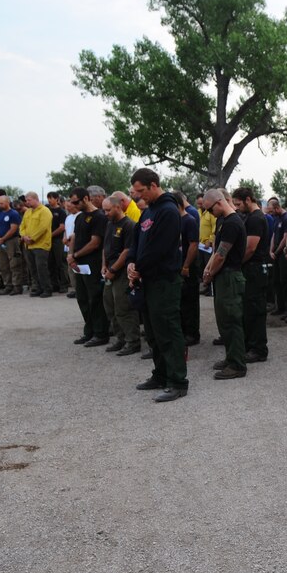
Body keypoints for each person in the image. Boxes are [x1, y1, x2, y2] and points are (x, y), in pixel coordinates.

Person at [127, 169, 189, 401]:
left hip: (164, 280)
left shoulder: (168, 211)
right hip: (147, 280)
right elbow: (137, 240)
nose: (139, 196)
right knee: (152, 331)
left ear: (154, 185)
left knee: (168, 331)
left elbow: (159, 248)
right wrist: (132, 263)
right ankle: (161, 374)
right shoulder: (148, 211)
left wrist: (138, 268)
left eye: (142, 191)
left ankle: (178, 381)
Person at [202, 187, 249, 380]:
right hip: (223, 276)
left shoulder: (232, 223)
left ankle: (237, 365)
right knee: (224, 321)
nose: (209, 213)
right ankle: (231, 358)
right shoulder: (223, 220)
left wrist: (210, 273)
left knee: (231, 321)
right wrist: (208, 268)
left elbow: (222, 255)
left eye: (210, 209)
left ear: (219, 203)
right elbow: (216, 251)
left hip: (230, 277)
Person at [67, 187, 110, 345]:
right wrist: (71, 255)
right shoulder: (79, 217)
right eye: (71, 202)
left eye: (76, 201)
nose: (73, 205)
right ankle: (89, 330)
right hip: (79, 264)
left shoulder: (99, 216)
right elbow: (75, 236)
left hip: (92, 263)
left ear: (86, 198)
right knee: (82, 297)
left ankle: (101, 333)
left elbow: (95, 242)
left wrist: (76, 255)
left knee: (95, 298)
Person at [232, 186, 270, 363]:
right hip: (250, 268)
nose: (237, 207)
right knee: (248, 308)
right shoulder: (249, 217)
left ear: (248, 199)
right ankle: (250, 344)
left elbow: (250, 247)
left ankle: (258, 348)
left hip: (255, 268)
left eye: (239, 204)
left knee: (255, 309)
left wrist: (237, 264)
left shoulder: (256, 219)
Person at [101, 197, 140, 356]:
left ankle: (133, 341)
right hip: (110, 270)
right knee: (110, 305)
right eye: (104, 210)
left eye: (108, 210)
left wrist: (114, 269)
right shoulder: (110, 223)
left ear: (118, 207)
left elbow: (127, 251)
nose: (106, 213)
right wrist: (104, 266)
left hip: (122, 272)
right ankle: (120, 338)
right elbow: (105, 247)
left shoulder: (129, 225)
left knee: (124, 307)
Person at [177, 192, 201, 346]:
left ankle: (192, 334)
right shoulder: (176, 221)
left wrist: (186, 265)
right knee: (180, 302)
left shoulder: (189, 221)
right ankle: (183, 331)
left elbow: (193, 245)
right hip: (177, 268)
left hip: (188, 268)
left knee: (190, 302)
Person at [19, 192, 53, 298]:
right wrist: (24, 236)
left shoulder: (45, 211)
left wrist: (32, 238)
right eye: (26, 200)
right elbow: (22, 226)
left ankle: (47, 289)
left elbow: (43, 227)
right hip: (28, 246)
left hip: (41, 245)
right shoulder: (28, 212)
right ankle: (37, 288)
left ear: (35, 199)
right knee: (32, 269)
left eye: (29, 200)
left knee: (41, 268)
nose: (27, 202)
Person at [0, 193, 25, 296]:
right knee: (3, 264)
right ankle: (8, 285)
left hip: (11, 241)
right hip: (0, 242)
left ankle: (17, 286)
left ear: (7, 202)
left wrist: (2, 239)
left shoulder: (13, 214)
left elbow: (13, 228)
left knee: (14, 264)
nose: (0, 205)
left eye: (2, 203)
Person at [47, 192, 68, 293]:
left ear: (57, 199)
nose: (49, 200)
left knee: (61, 263)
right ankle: (54, 284)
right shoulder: (46, 210)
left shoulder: (61, 212)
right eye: (48, 198)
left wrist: (50, 235)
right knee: (50, 263)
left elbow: (62, 227)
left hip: (58, 240)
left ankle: (64, 285)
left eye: (51, 198)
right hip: (47, 241)